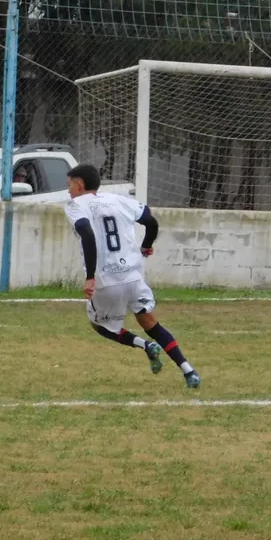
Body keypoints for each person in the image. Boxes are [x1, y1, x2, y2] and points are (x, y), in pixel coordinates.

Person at [64, 164, 200, 389]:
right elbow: (151, 221)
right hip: (133, 276)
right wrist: (146, 246)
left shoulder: (75, 205)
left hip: (107, 280)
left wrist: (89, 277)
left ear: (79, 185)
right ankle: (188, 370)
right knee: (150, 322)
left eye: (70, 185)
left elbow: (87, 233)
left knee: (99, 326)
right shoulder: (119, 200)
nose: (68, 190)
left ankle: (145, 346)